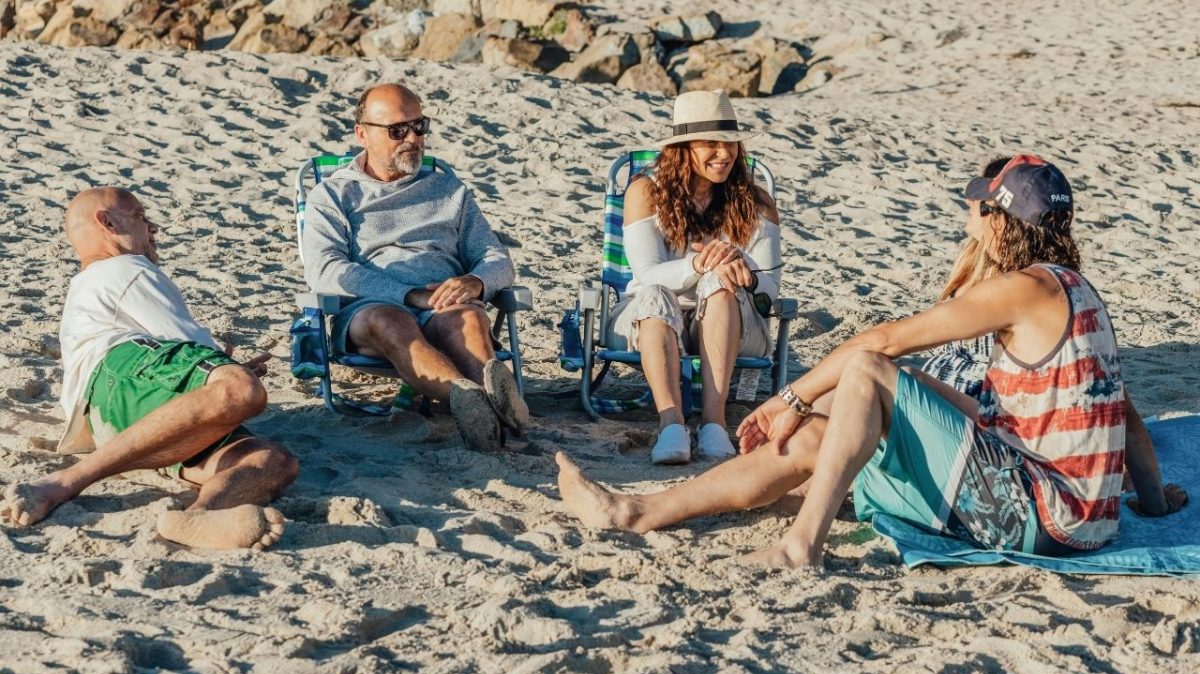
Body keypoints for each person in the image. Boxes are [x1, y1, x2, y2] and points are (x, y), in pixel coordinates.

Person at [555, 155, 1187, 567]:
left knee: (866, 370)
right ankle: (635, 512)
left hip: (1041, 518)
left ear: (1000, 223)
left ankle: (803, 543)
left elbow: (885, 341)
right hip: (1071, 514)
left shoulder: (1023, 289)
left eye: (977, 209)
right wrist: (1154, 507)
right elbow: (1123, 417)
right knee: (820, 434)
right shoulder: (1076, 290)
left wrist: (788, 396)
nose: (967, 218)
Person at [1, 187, 298, 550]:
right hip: (122, 375)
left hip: (128, 424)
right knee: (241, 389)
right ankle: (64, 482)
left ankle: (201, 516)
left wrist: (222, 368)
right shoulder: (125, 267)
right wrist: (231, 368)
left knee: (272, 460)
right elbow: (190, 345)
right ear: (107, 222)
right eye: (140, 216)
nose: (153, 228)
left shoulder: (88, 288)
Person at [301, 83, 527, 452]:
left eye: (419, 126)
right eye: (397, 131)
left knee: (469, 320)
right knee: (391, 321)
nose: (412, 139)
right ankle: (473, 399)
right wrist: (409, 295)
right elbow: (325, 270)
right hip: (371, 305)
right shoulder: (334, 194)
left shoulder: (448, 190)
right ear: (363, 134)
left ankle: (488, 408)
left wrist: (474, 281)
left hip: (443, 301)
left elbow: (498, 259)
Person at [607, 89, 782, 464]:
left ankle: (714, 423)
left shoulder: (757, 202)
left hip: (732, 320)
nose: (724, 154)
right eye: (710, 144)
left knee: (720, 285)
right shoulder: (645, 191)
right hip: (649, 318)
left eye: (730, 144)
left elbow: (771, 291)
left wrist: (745, 272)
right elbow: (646, 273)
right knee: (655, 293)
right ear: (683, 148)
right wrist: (699, 265)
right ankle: (671, 423)